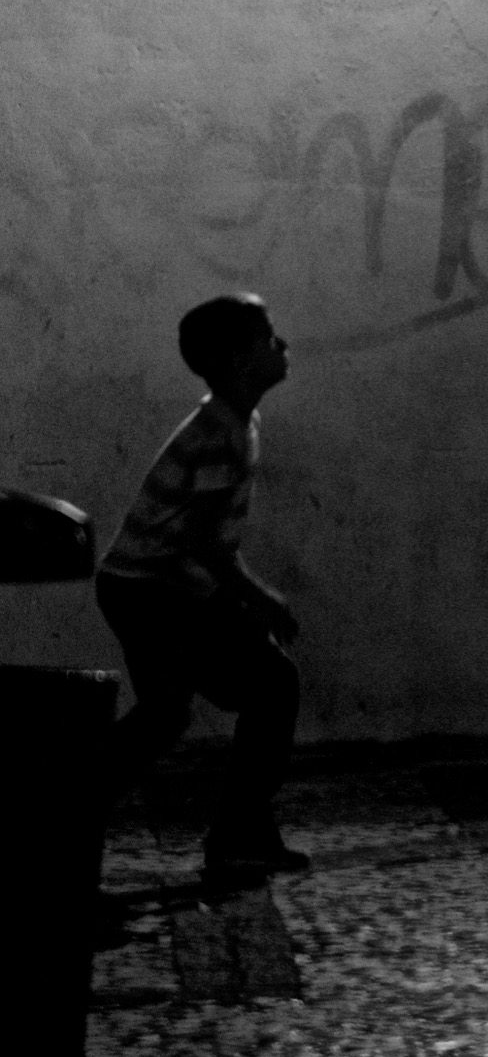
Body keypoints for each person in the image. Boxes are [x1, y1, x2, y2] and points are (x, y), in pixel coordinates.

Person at [95, 293, 308, 883]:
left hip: (152, 587)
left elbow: (203, 548)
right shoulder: (218, 435)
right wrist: (260, 598)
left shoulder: (235, 422)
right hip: (150, 591)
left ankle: (65, 808)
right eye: (270, 337)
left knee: (169, 714)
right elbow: (204, 545)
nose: (283, 345)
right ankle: (239, 834)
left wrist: (239, 601)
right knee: (267, 685)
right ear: (243, 362)